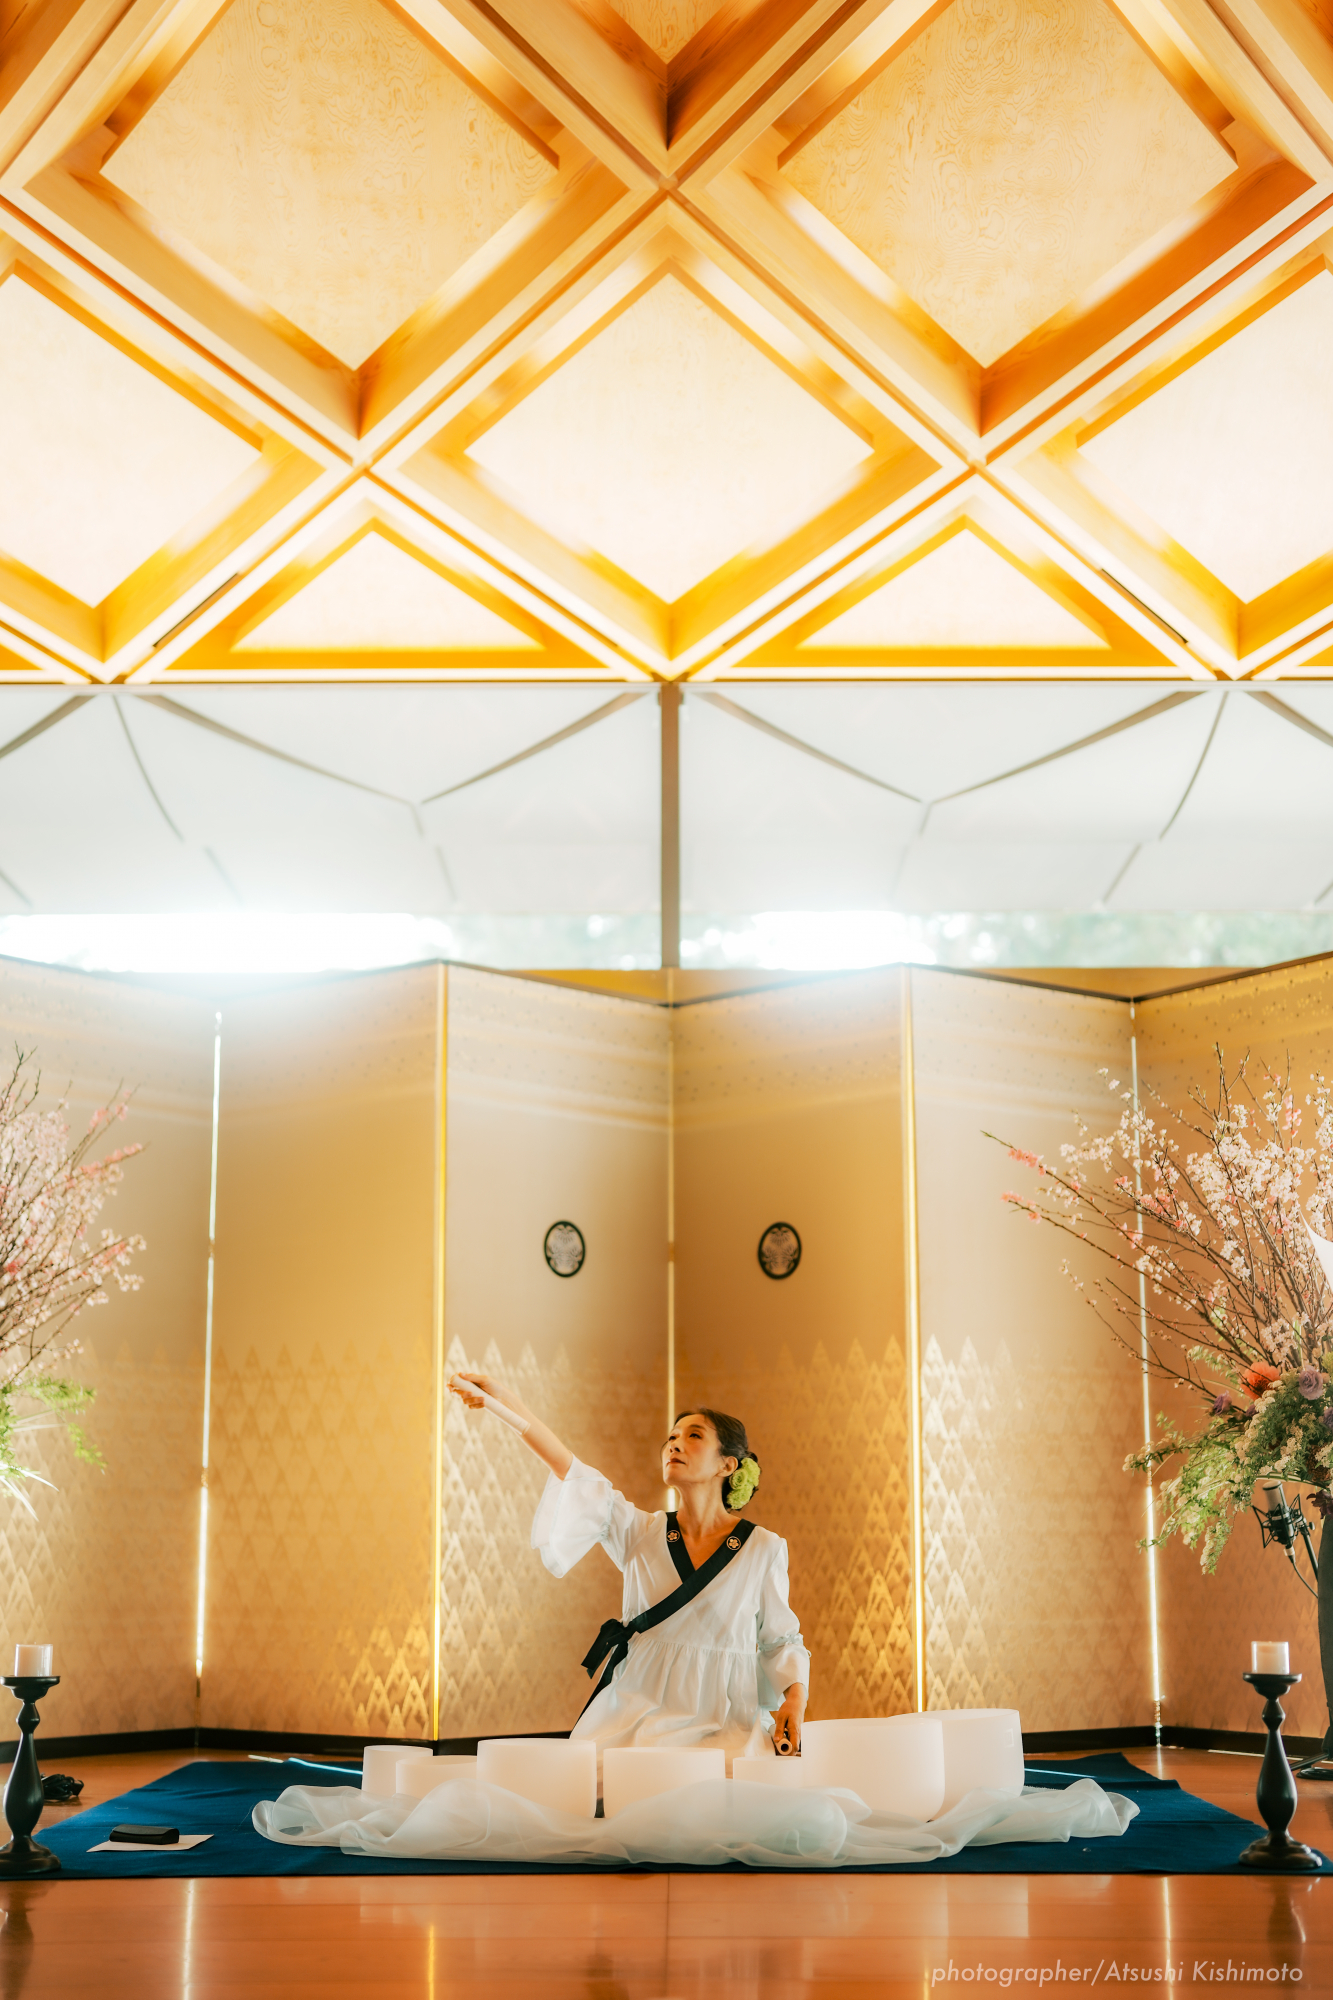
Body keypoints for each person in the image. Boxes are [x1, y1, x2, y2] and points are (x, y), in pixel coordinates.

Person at [449, 1375, 809, 1770]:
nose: (674, 1444)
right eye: (671, 1437)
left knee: (726, 1790)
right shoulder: (640, 1532)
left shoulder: (763, 1547)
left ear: (728, 1464)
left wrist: (794, 1700)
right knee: (596, 1783)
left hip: (725, 1723)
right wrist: (502, 1401)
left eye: (693, 1436)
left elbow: (780, 1641)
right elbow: (570, 1468)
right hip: (636, 1715)